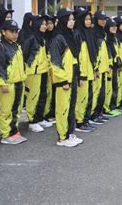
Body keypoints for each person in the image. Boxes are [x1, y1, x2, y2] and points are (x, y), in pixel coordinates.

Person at [50, 8, 83, 147]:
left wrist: (78, 74)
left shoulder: (70, 35)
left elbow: (76, 58)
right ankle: (62, 138)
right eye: (69, 19)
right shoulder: (57, 38)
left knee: (71, 107)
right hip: (63, 80)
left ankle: (69, 133)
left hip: (73, 75)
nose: (72, 22)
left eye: (72, 19)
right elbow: (55, 62)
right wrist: (63, 80)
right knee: (62, 108)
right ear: (63, 20)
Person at [0, 20, 27, 144]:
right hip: (7, 84)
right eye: (11, 32)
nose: (14, 34)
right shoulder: (0, 47)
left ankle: (14, 131)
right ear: (3, 32)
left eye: (16, 32)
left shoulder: (16, 46)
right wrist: (2, 83)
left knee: (16, 109)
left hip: (19, 82)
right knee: (6, 110)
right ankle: (6, 134)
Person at [23, 15, 53, 132]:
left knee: (42, 96)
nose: (45, 26)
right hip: (33, 72)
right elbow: (24, 55)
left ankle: (40, 118)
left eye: (45, 24)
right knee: (33, 97)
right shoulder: (31, 38)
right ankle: (32, 120)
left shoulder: (43, 38)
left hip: (43, 70)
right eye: (42, 24)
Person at [73, 9, 97, 133]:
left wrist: (94, 69)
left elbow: (91, 54)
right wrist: (80, 74)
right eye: (86, 19)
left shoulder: (88, 33)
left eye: (89, 19)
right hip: (82, 73)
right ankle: (79, 122)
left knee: (88, 97)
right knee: (81, 98)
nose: (88, 22)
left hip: (89, 71)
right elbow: (78, 57)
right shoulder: (77, 34)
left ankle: (85, 119)